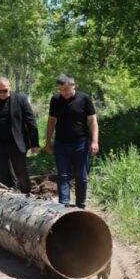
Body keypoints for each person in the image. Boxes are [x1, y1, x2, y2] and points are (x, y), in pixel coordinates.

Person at [0, 77, 40, 193]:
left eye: (5, 90)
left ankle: (27, 197)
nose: (2, 94)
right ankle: (6, 200)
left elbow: (31, 122)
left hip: (17, 143)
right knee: (1, 175)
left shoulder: (21, 100)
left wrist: (35, 143)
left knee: (21, 174)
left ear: (10, 87)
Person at [44, 73, 99, 209]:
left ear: (73, 85)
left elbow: (92, 121)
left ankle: (80, 206)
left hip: (81, 143)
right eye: (61, 90)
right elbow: (51, 121)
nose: (64, 93)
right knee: (63, 176)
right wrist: (48, 142)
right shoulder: (55, 100)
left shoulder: (84, 99)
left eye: (66, 89)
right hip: (61, 144)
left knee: (81, 176)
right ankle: (63, 207)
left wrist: (94, 141)